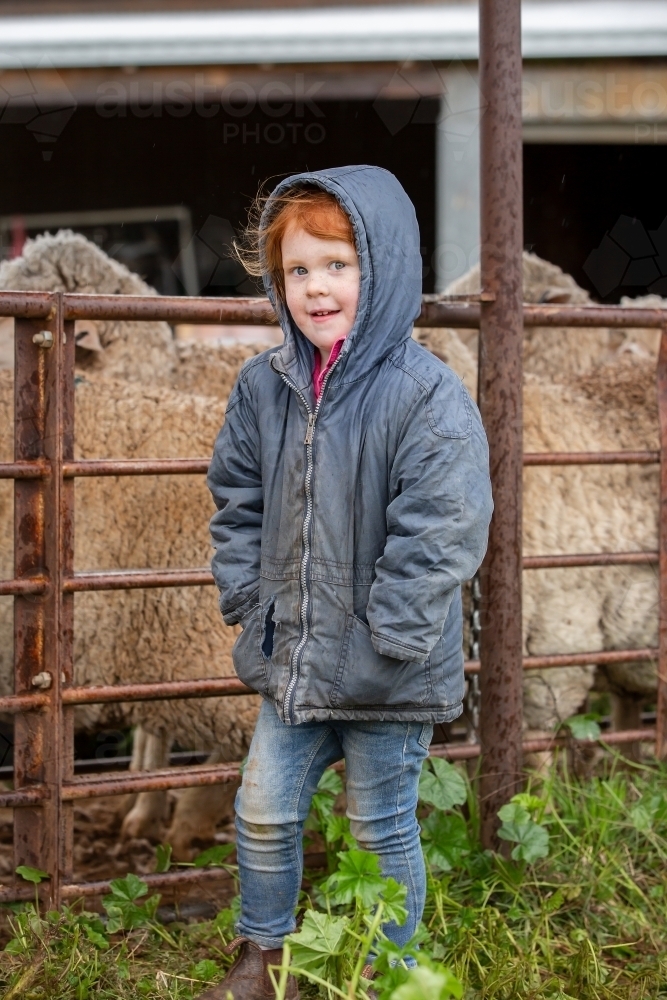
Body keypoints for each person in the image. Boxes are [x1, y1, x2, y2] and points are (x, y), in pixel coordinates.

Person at [203, 165, 493, 1000]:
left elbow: (444, 523)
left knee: (379, 827)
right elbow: (237, 501)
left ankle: (384, 969)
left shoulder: (425, 394)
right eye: (298, 270)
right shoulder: (264, 388)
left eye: (338, 264)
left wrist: (392, 632)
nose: (315, 288)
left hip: (386, 664)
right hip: (293, 651)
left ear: (384, 267)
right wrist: (249, 601)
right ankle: (264, 957)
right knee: (262, 809)